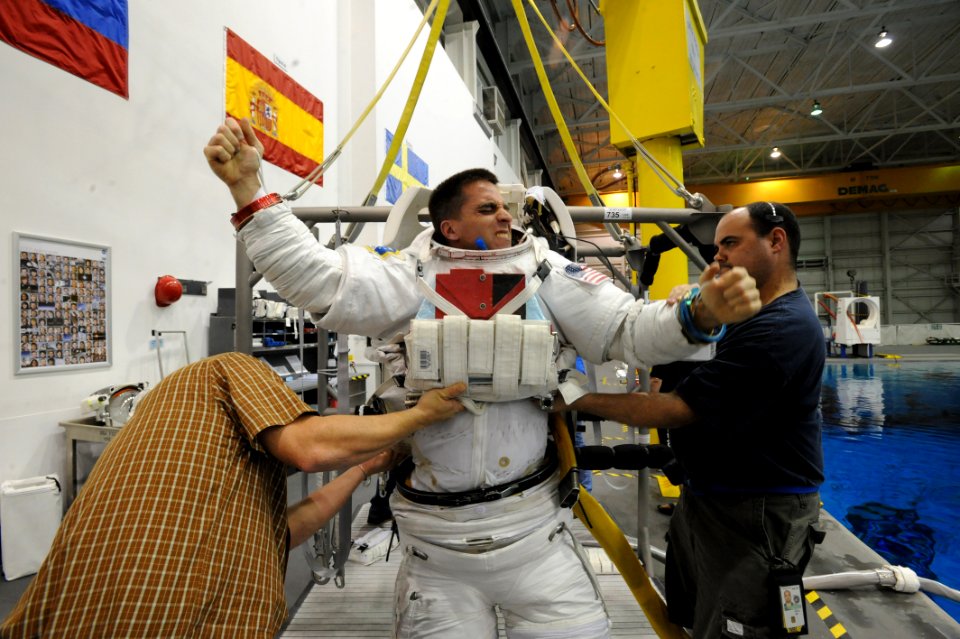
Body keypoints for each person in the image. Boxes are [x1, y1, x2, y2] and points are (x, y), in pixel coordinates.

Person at [203, 117, 761, 638]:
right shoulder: (410, 279)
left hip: (535, 538)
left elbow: (627, 329)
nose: (506, 217)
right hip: (436, 553)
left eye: (506, 209)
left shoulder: (545, 272)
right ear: (449, 225)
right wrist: (249, 191)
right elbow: (319, 279)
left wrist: (697, 314)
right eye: (488, 208)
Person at [0, 353, 465, 638]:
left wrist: (364, 466)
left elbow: (283, 533)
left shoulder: (208, 475)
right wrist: (417, 417)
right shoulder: (228, 370)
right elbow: (309, 448)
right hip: (156, 612)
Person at [552, 202, 825, 639]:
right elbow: (678, 374)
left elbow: (675, 408)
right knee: (697, 614)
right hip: (711, 497)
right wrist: (690, 316)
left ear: (776, 242)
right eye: (717, 246)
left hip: (757, 510)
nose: (718, 257)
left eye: (730, 244)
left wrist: (572, 397)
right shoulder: (746, 316)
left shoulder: (781, 330)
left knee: (740, 625)